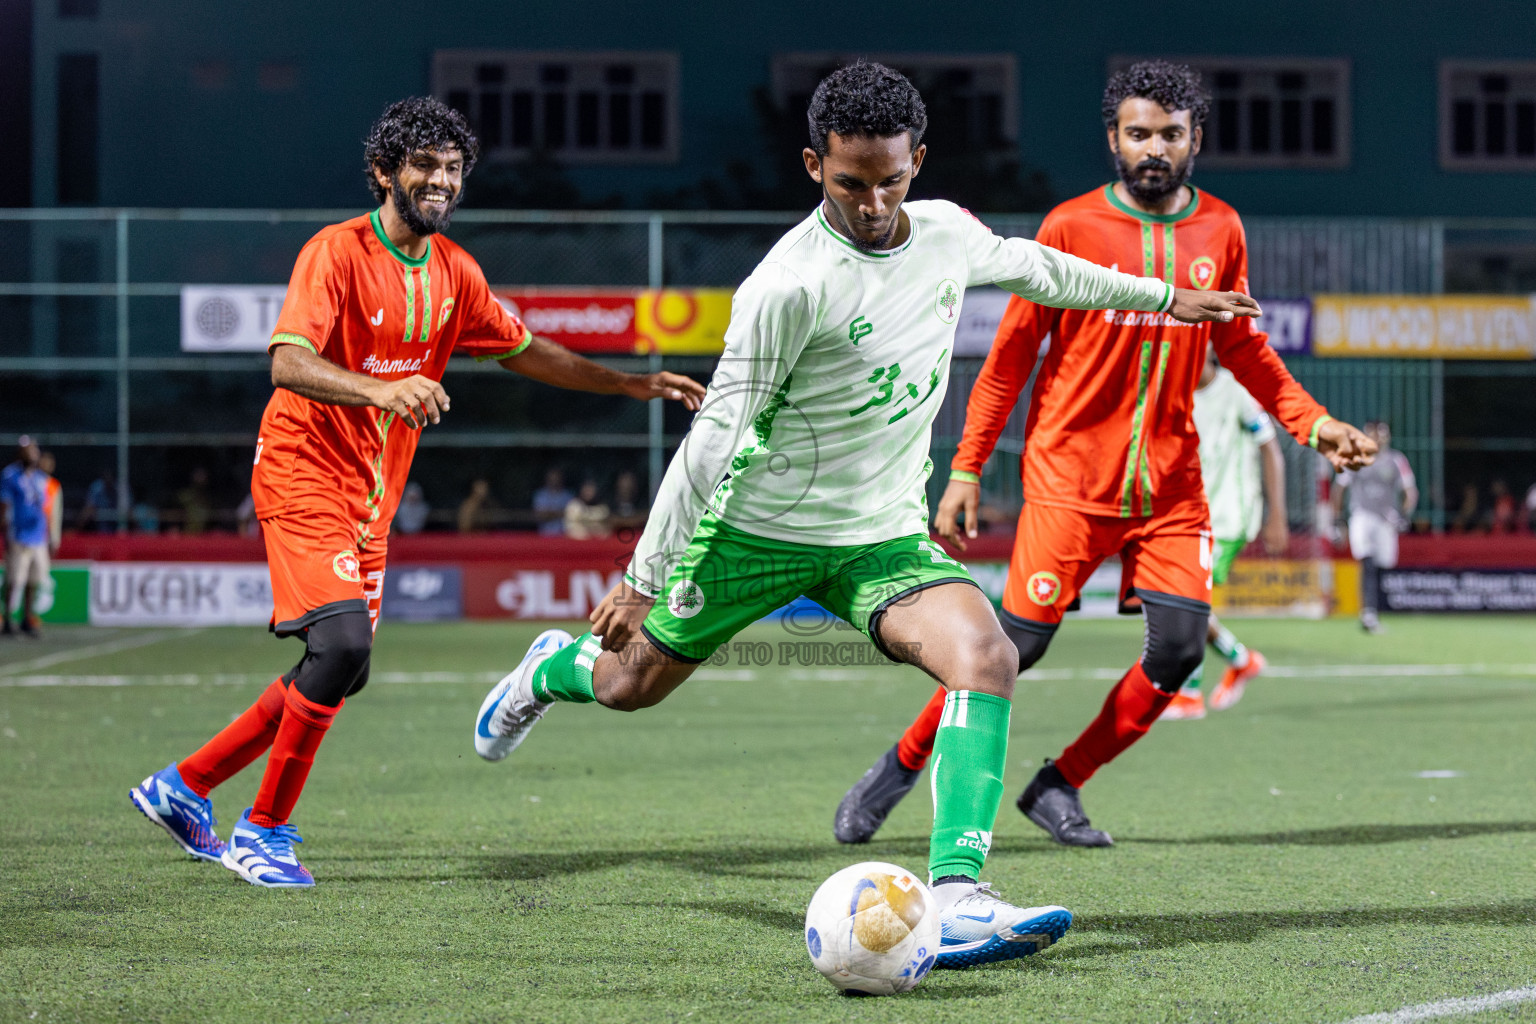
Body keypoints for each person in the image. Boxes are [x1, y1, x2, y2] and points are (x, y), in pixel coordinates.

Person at [474, 61, 1267, 968]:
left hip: (882, 534)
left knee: (987, 653)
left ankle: (962, 893)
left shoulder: (944, 235)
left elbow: (1043, 270)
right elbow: (713, 441)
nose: (874, 202)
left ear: (917, 161)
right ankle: (552, 669)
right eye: (851, 182)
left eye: (892, 179)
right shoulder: (786, 286)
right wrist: (639, 579)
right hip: (754, 532)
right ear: (816, 166)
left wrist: (1170, 299)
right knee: (628, 685)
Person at [128, 96, 705, 888]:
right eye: (424, 166)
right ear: (384, 172)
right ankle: (262, 830)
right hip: (302, 471)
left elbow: (527, 350)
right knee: (341, 648)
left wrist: (630, 383)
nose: (440, 181)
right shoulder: (335, 252)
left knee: (341, 668)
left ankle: (183, 785)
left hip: (373, 498)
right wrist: (379, 390)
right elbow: (287, 362)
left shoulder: (455, 273)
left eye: (452, 169)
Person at [833, 61, 1376, 851]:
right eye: (1138, 133)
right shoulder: (1070, 227)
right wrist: (964, 468)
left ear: (1196, 139)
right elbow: (1011, 356)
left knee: (1183, 647)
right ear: (1113, 140)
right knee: (1013, 648)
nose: (1154, 147)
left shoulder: (1221, 229)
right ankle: (899, 766)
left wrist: (1314, 423)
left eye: (1170, 133)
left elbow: (1245, 347)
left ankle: (1061, 783)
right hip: (1068, 482)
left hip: (1171, 485)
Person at [1159, 343, 1288, 720]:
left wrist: (1276, 514)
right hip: (1189, 517)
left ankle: (1189, 694)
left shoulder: (1236, 394)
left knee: (1189, 600)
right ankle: (1241, 659)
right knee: (1178, 599)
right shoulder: (1175, 396)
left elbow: (1271, 450)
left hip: (1229, 517)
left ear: (1205, 353)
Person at [1331, 421, 1416, 633]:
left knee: (1382, 564)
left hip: (1386, 518)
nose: (1377, 438)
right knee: (1366, 561)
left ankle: (1373, 610)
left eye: (1381, 434)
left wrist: (1404, 515)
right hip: (1362, 514)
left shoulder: (1396, 460)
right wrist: (1337, 520)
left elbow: (1410, 491)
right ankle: (1368, 613)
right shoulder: (1355, 457)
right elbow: (1339, 489)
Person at [1, 438, 52, 638]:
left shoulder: (41, 478)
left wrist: (49, 534)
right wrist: (5, 528)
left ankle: (26, 618)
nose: (33, 453)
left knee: (33, 579)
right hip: (18, 535)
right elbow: (4, 504)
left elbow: (44, 509)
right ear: (20, 453)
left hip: (38, 537)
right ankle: (6, 619)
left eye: (34, 449)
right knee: (14, 579)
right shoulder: (10, 475)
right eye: (28, 450)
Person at [532, 469, 573, 536]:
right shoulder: (540, 495)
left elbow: (570, 515)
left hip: (564, 535)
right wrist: (559, 513)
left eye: (556, 478)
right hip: (544, 535)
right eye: (552, 478)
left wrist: (549, 513)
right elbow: (540, 515)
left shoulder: (568, 495)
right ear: (547, 479)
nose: (554, 480)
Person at [39, 452, 63, 556]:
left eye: (49, 463)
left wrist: (55, 539)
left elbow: (56, 514)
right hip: (30, 534)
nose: (46, 465)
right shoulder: (29, 481)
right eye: (44, 462)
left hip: (46, 534)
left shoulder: (54, 485)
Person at [176, 467, 213, 536]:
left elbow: (212, 517)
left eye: (203, 477)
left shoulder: (209, 498)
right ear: (192, 478)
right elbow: (173, 514)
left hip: (204, 535)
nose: (200, 480)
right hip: (186, 534)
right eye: (198, 476)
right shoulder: (184, 496)